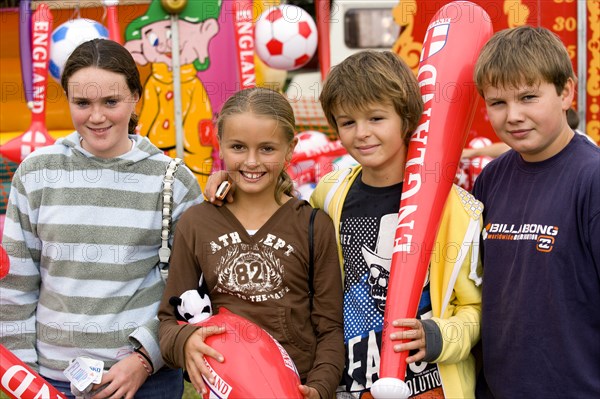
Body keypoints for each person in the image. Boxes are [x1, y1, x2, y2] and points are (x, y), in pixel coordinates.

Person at [204, 51, 484, 399]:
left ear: (407, 118)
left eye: (376, 118)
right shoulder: (331, 192)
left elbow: (476, 308)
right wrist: (230, 181)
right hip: (350, 382)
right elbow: (280, 204)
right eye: (348, 122)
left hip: (429, 385)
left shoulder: (454, 207)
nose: (362, 134)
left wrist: (440, 335)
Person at [0, 39, 202, 399]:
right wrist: (25, 377)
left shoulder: (175, 181)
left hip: (146, 381)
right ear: (68, 100)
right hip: (51, 378)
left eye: (111, 101)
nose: (96, 116)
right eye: (82, 103)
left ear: (135, 97)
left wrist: (145, 359)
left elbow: (191, 288)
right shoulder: (35, 174)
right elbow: (17, 284)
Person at [158, 87, 344, 399]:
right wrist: (185, 341)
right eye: (238, 147)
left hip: (294, 389)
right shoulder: (197, 224)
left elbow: (329, 329)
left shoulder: (313, 226)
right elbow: (168, 320)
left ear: (290, 149)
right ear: (220, 145)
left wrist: (319, 388)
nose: (252, 161)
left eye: (267, 149)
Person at [472, 26, 600, 398]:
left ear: (565, 93)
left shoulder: (591, 180)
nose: (513, 115)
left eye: (529, 97)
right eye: (498, 103)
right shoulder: (492, 178)